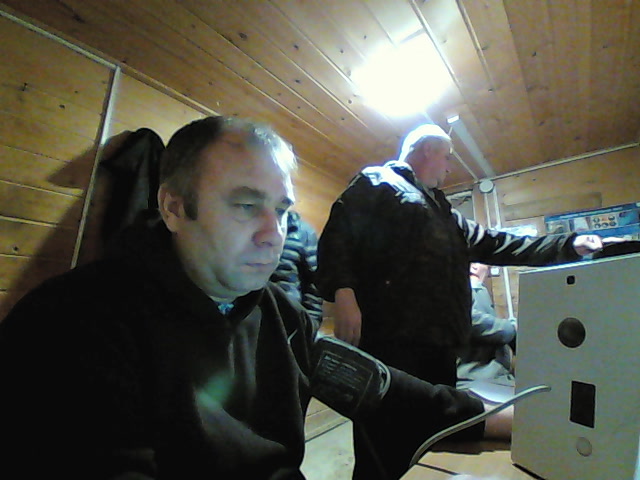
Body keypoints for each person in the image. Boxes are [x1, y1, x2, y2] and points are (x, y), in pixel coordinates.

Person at [0, 116, 511, 480]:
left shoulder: (278, 312)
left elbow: (375, 387)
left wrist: (484, 416)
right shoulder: (68, 323)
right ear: (173, 207)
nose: (274, 235)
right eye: (247, 206)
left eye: (282, 210)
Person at [315, 123, 604, 479]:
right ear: (428, 150)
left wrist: (567, 245)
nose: (450, 167)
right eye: (448, 157)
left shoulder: (447, 216)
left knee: (429, 436)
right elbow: (338, 234)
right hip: (391, 339)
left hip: (439, 346)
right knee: (382, 437)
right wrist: (343, 292)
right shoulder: (377, 181)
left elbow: (499, 243)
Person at [456, 263, 516, 389]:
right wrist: (511, 328)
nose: (473, 267)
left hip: (495, 378)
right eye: (469, 261)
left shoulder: (480, 291)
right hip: (474, 379)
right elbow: (470, 319)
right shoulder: (457, 292)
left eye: (479, 262)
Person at [270, 210, 323, 329]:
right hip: (245, 319)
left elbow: (314, 282)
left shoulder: (302, 232)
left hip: (289, 321)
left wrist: (310, 326)